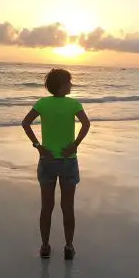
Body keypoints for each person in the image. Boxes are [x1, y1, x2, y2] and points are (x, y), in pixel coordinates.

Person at [21, 68, 91, 260]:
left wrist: (39, 146)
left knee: (47, 206)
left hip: (47, 160)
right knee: (67, 207)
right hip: (68, 161)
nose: (71, 85)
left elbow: (26, 123)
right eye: (69, 82)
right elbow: (86, 124)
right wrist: (74, 145)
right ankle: (69, 247)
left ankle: (45, 246)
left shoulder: (43, 103)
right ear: (61, 85)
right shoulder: (73, 104)